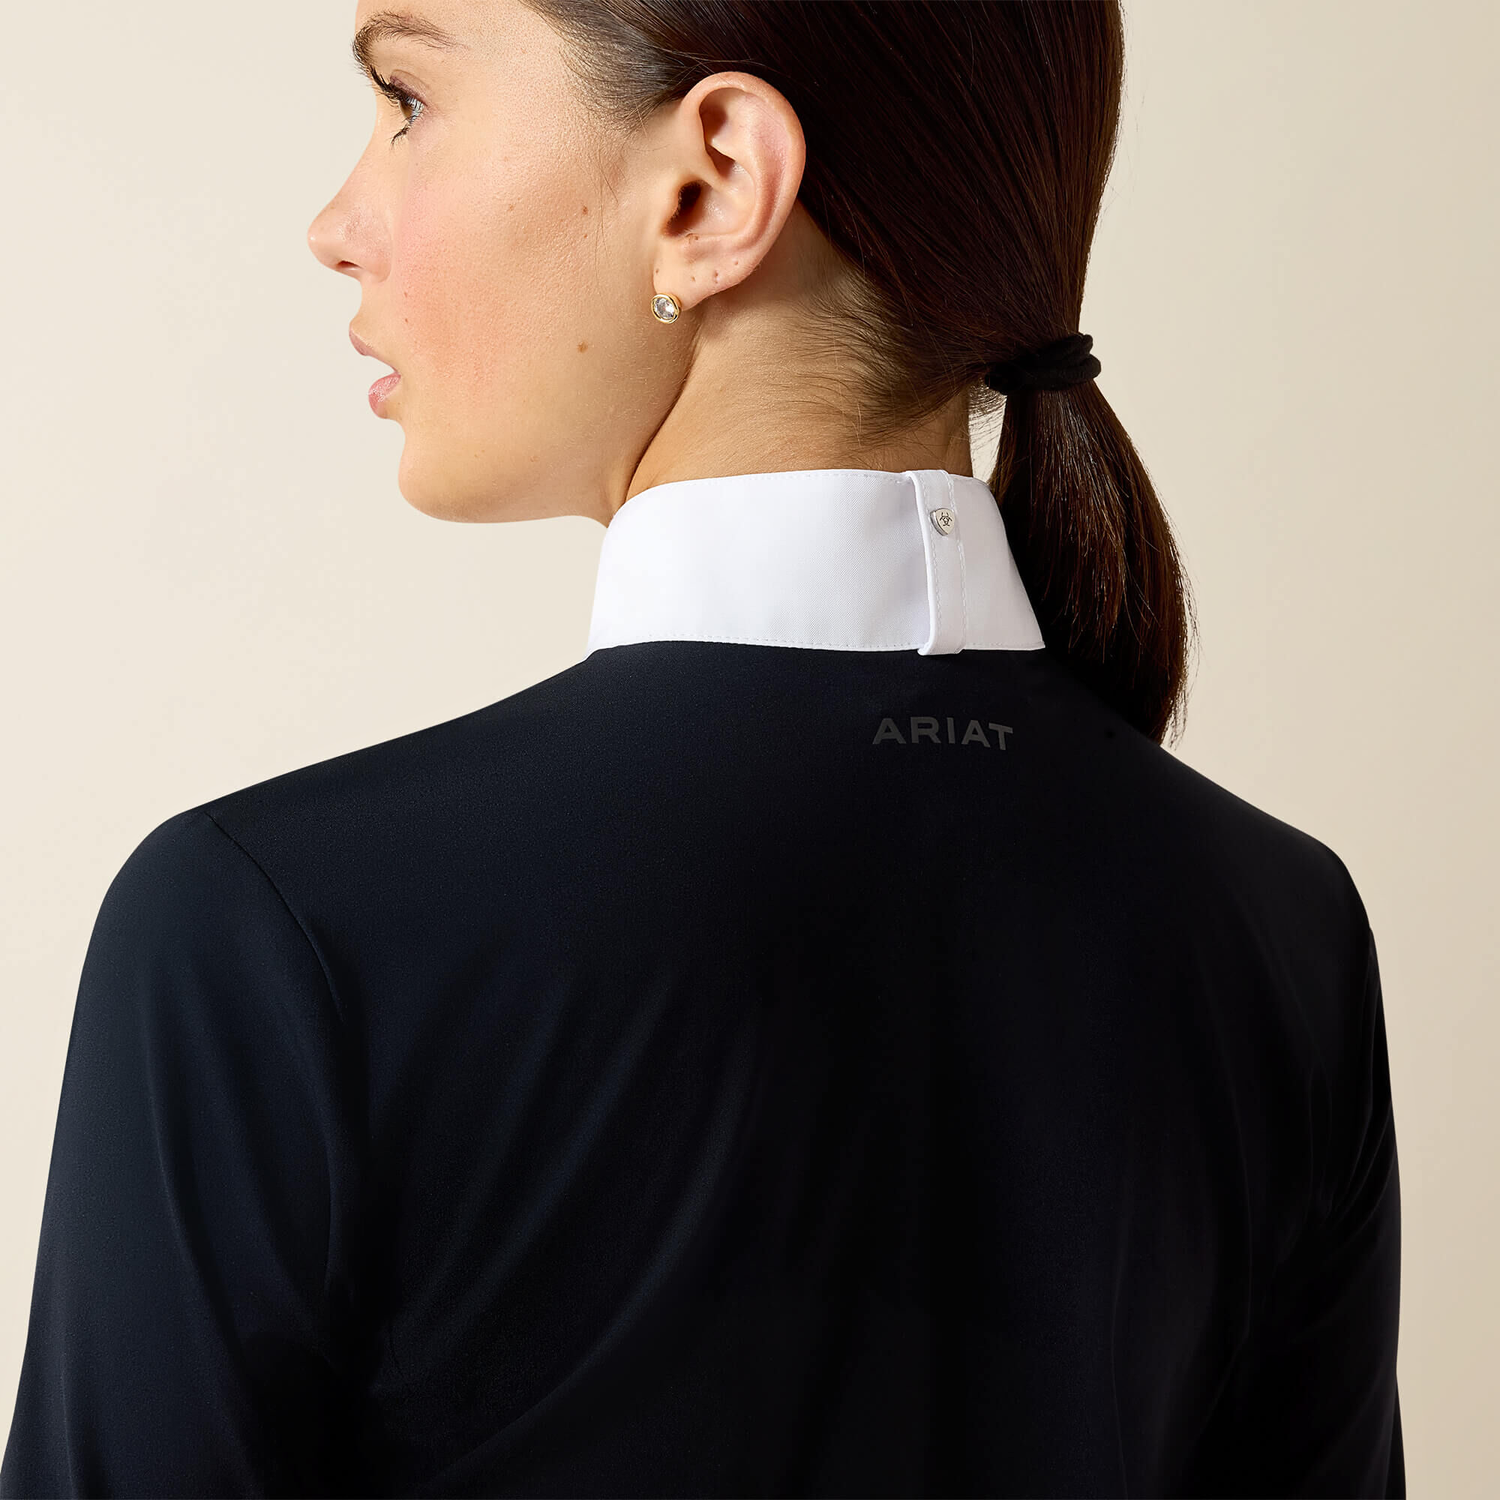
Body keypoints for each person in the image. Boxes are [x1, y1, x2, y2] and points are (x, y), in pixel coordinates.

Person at [1, 1, 1403, 1495]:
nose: (338, 223)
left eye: (408, 99)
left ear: (713, 186)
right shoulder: (1279, 927)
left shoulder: (271, 930)